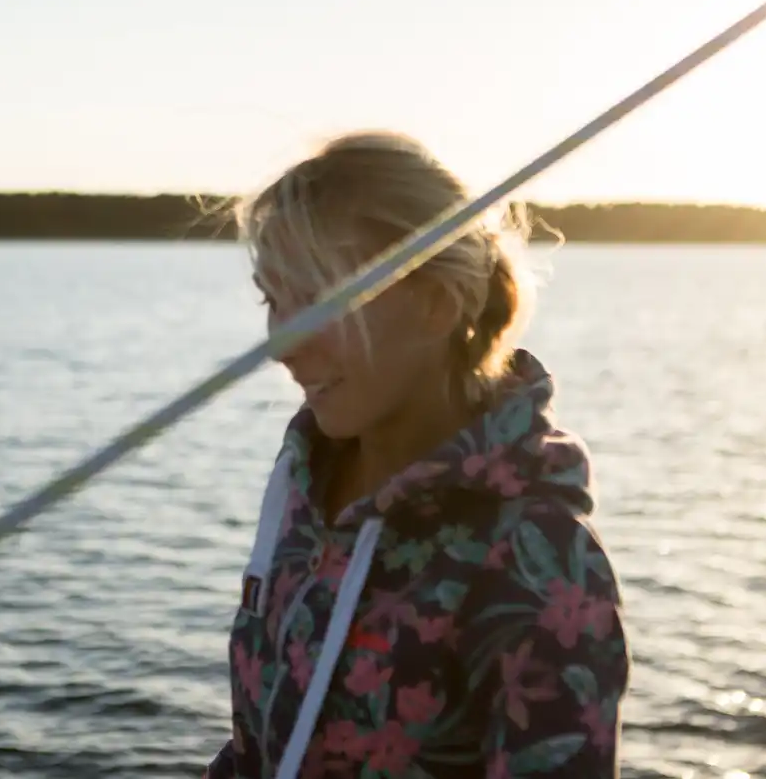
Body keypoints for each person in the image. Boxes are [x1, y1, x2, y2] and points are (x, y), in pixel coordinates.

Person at [204, 132, 630, 778]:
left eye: (318, 299)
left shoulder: (538, 559)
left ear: (436, 305)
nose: (282, 345)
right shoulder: (303, 489)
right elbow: (266, 744)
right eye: (273, 299)